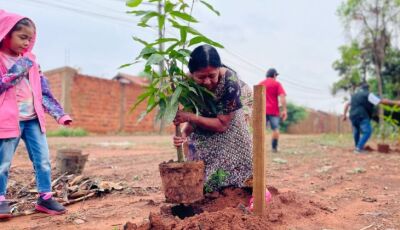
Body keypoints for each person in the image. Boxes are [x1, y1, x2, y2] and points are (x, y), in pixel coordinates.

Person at [0, 10, 72, 218]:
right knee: (3, 162)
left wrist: (60, 115)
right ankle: (1, 199)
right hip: (8, 121)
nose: (27, 43)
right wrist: (17, 69)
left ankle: (45, 198)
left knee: (43, 160)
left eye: (30, 39)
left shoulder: (31, 61)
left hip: (33, 121)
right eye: (22, 37)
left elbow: (43, 92)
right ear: (6, 34)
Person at [173, 44, 252, 191]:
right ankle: (208, 185)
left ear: (218, 69)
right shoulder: (188, 85)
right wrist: (183, 134)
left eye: (212, 76)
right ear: (192, 74)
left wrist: (191, 117)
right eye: (201, 77)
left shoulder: (230, 81)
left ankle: (237, 184)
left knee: (233, 139)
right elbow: (196, 114)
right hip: (209, 112)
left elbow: (222, 125)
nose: (207, 82)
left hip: (236, 104)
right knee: (200, 141)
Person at [343, 83, 400, 153]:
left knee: (356, 131)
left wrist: (344, 115)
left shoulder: (354, 95)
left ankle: (357, 147)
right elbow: (381, 101)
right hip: (362, 115)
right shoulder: (368, 94)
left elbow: (346, 105)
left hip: (352, 115)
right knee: (367, 131)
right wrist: (396, 102)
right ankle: (358, 148)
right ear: (368, 88)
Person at [258, 68, 287, 153]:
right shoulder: (277, 84)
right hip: (273, 111)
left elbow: (256, 96)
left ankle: (259, 149)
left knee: (260, 129)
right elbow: (282, 96)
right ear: (274, 75)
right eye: (276, 76)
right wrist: (284, 110)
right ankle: (274, 148)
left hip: (262, 110)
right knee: (275, 129)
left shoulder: (261, 84)